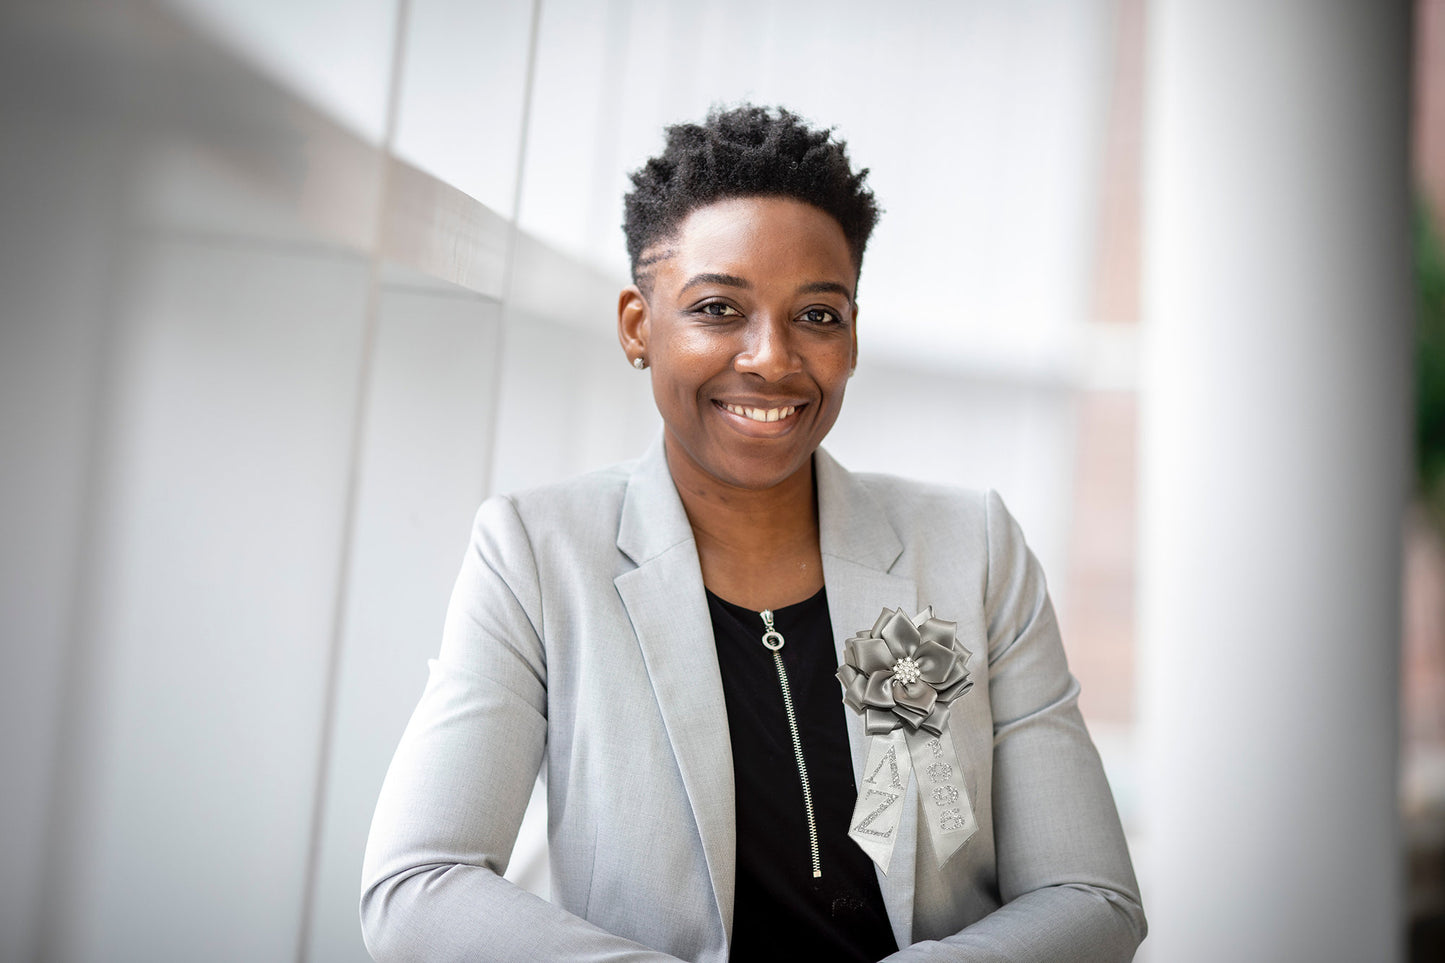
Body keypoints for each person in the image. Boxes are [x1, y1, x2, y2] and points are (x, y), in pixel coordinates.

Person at [360, 104, 1145, 962]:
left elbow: (1089, 894)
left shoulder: (973, 547)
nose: (772, 357)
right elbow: (419, 886)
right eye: (718, 308)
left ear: (850, 337)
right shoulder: (536, 553)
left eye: (816, 315)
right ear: (637, 325)